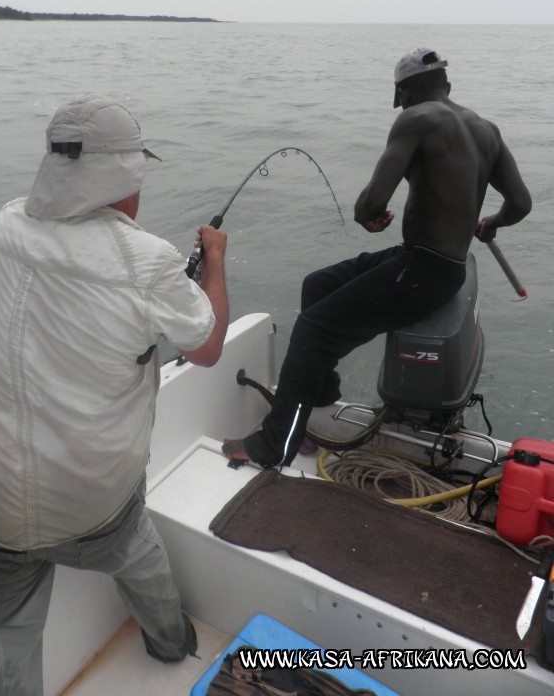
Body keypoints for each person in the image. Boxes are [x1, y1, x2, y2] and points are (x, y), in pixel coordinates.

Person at [0, 95, 229, 695]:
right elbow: (206, 348)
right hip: (93, 508)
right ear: (124, 175)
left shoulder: (1, 226)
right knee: (134, 542)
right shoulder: (148, 262)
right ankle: (172, 642)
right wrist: (213, 260)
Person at [223, 47, 532, 468]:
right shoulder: (487, 130)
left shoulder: (415, 119)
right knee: (317, 284)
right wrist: (491, 223)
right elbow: (520, 203)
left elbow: (370, 203)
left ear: (403, 93)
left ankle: (276, 443)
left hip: (422, 272)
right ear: (447, 86)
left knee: (313, 330)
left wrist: (367, 217)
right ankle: (320, 400)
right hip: (436, 266)